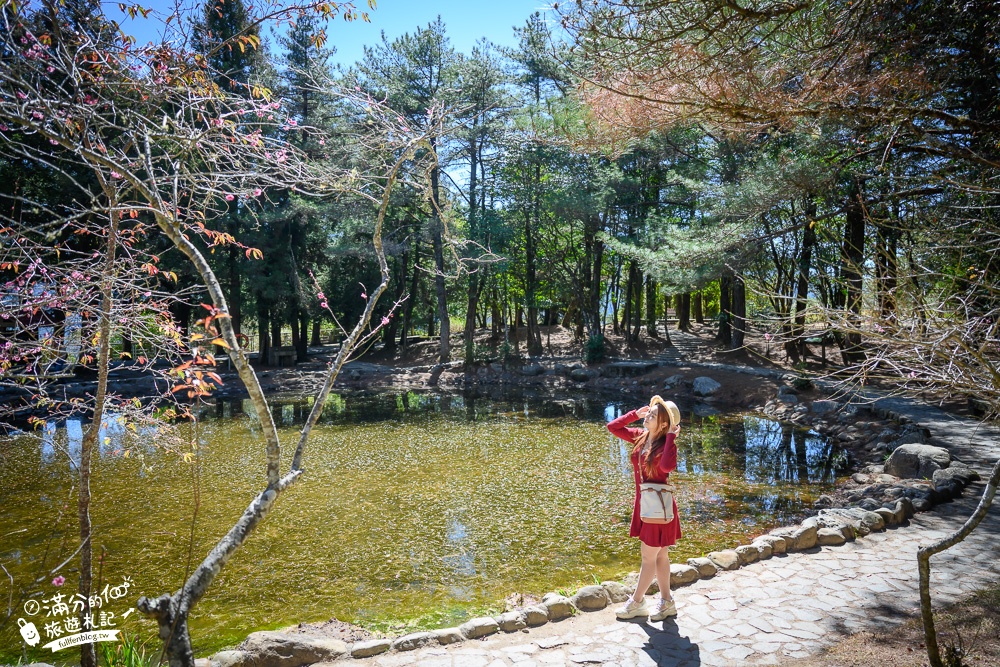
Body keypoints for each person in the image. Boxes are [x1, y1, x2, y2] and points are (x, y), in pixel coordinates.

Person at [607, 395, 682, 621]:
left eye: (652, 415)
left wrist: (669, 437)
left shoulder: (666, 445)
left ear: (664, 424)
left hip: (657, 509)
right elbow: (613, 427)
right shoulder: (641, 437)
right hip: (648, 507)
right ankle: (667, 602)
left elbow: (667, 467)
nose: (647, 416)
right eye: (648, 412)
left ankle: (637, 602)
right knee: (660, 556)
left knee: (649, 557)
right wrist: (634, 415)